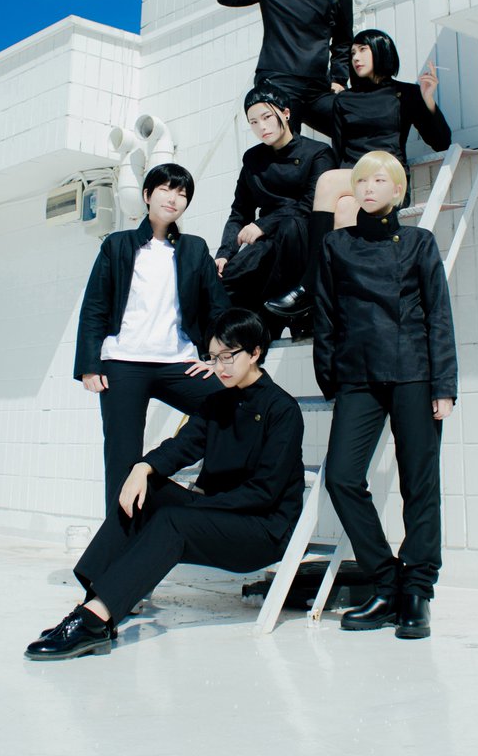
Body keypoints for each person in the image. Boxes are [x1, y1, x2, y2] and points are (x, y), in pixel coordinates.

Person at [26, 309, 305, 660]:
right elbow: (181, 446)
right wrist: (142, 468)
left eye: (228, 356)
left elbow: (265, 492)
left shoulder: (282, 410)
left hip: (261, 530)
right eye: (213, 357)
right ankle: (94, 606)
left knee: (174, 520)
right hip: (218, 514)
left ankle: (94, 621)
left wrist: (197, 506)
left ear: (255, 352)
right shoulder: (217, 401)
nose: (219, 367)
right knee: (148, 491)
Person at [312, 151, 457, 640]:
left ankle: (418, 591)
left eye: (379, 180)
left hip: (414, 373)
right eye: (361, 181)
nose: (369, 188)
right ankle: (385, 581)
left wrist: (444, 386)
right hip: (358, 376)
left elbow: (438, 315)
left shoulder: (418, 242)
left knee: (421, 484)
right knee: (341, 477)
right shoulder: (336, 245)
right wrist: (331, 379)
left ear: (398, 190)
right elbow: (326, 314)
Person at [74, 162, 230, 511]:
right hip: (123, 364)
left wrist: (216, 360)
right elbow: (95, 306)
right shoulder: (117, 245)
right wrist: (89, 365)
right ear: (146, 195)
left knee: (233, 408)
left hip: (178, 362)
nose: (174, 198)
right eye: (165, 189)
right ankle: (119, 537)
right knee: (122, 457)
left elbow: (218, 309)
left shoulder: (194, 249)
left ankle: (204, 489)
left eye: (182, 193)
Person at [265, 28, 451, 319]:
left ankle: (311, 284)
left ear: (381, 50)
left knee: (328, 179)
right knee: (342, 210)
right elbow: (341, 151)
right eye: (352, 52)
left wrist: (427, 99)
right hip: (354, 180)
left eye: (363, 49)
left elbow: (441, 142)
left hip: (388, 176)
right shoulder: (344, 101)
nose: (355, 57)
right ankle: (347, 300)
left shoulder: (405, 94)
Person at [217, 0, 353, 136]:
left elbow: (343, 39)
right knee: (287, 144)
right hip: (278, 80)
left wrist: (339, 79)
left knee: (352, 128)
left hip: (318, 86)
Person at [215, 82, 334, 331]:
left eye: (267, 117)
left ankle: (293, 312)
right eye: (253, 122)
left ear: (286, 113)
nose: (261, 127)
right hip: (266, 241)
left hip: (303, 239)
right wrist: (225, 253)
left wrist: (263, 224)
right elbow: (240, 211)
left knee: (291, 226)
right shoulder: (253, 159)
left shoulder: (318, 153)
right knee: (222, 282)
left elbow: (310, 204)